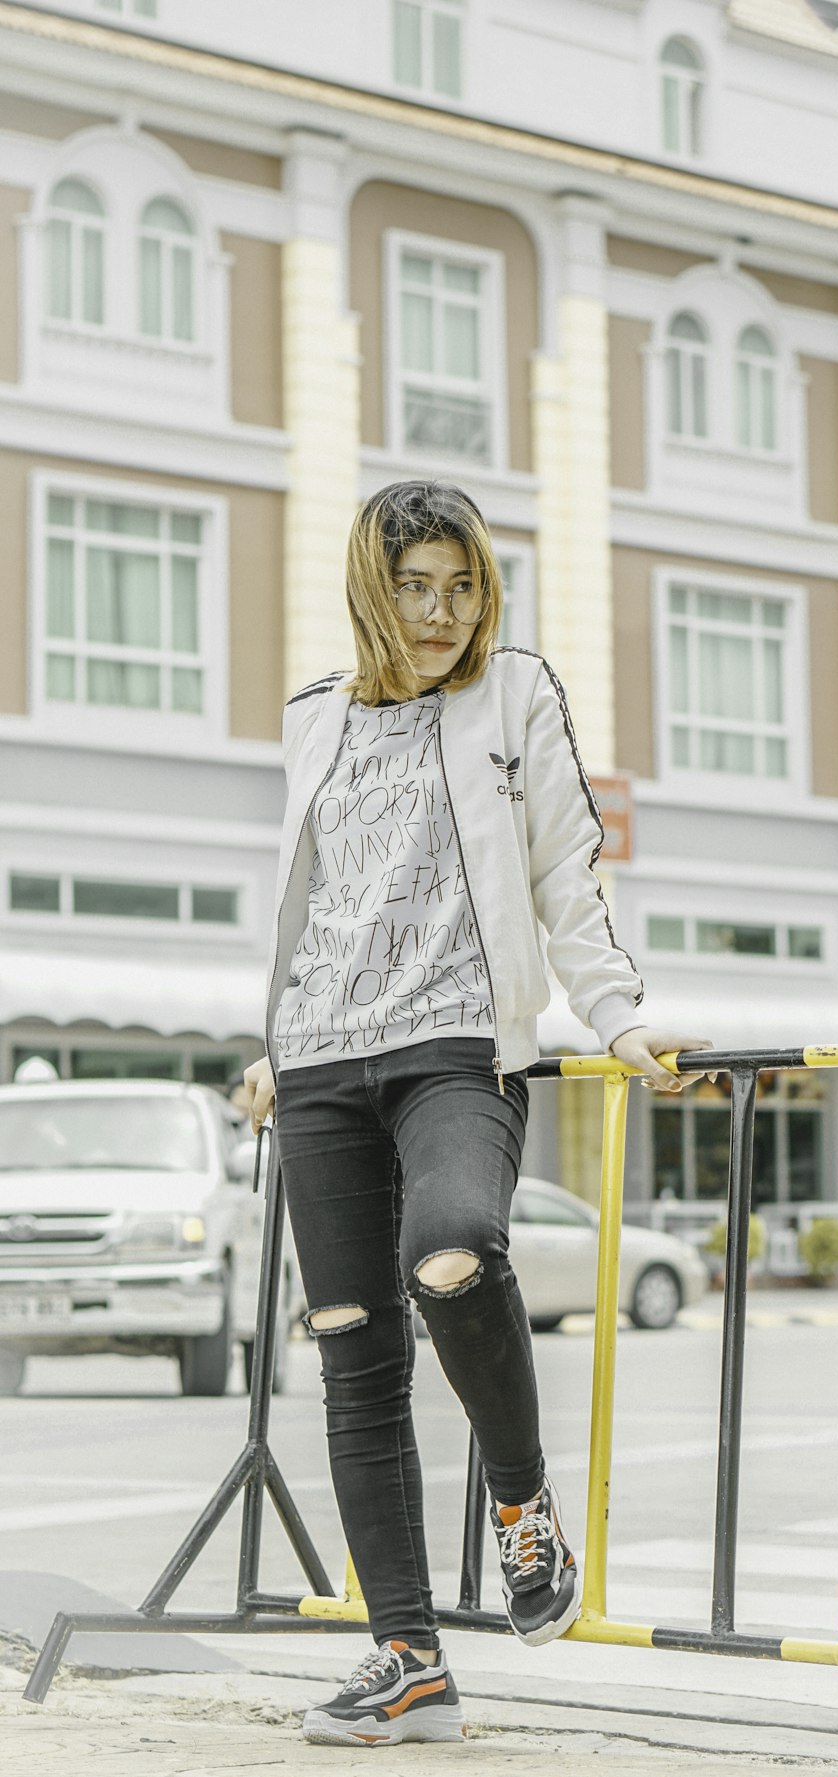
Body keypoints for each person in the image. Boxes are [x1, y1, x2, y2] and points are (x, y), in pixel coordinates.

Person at [244, 479, 713, 1748]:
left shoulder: (515, 692)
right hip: (324, 1061)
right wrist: (270, 1045)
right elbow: (306, 898)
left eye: (459, 584)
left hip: (456, 1046)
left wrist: (620, 1021)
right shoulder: (311, 718)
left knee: (453, 1251)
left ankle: (521, 1506)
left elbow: (568, 868)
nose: (440, 610)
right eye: (412, 585)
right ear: (369, 587)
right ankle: (408, 1659)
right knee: (351, 1348)